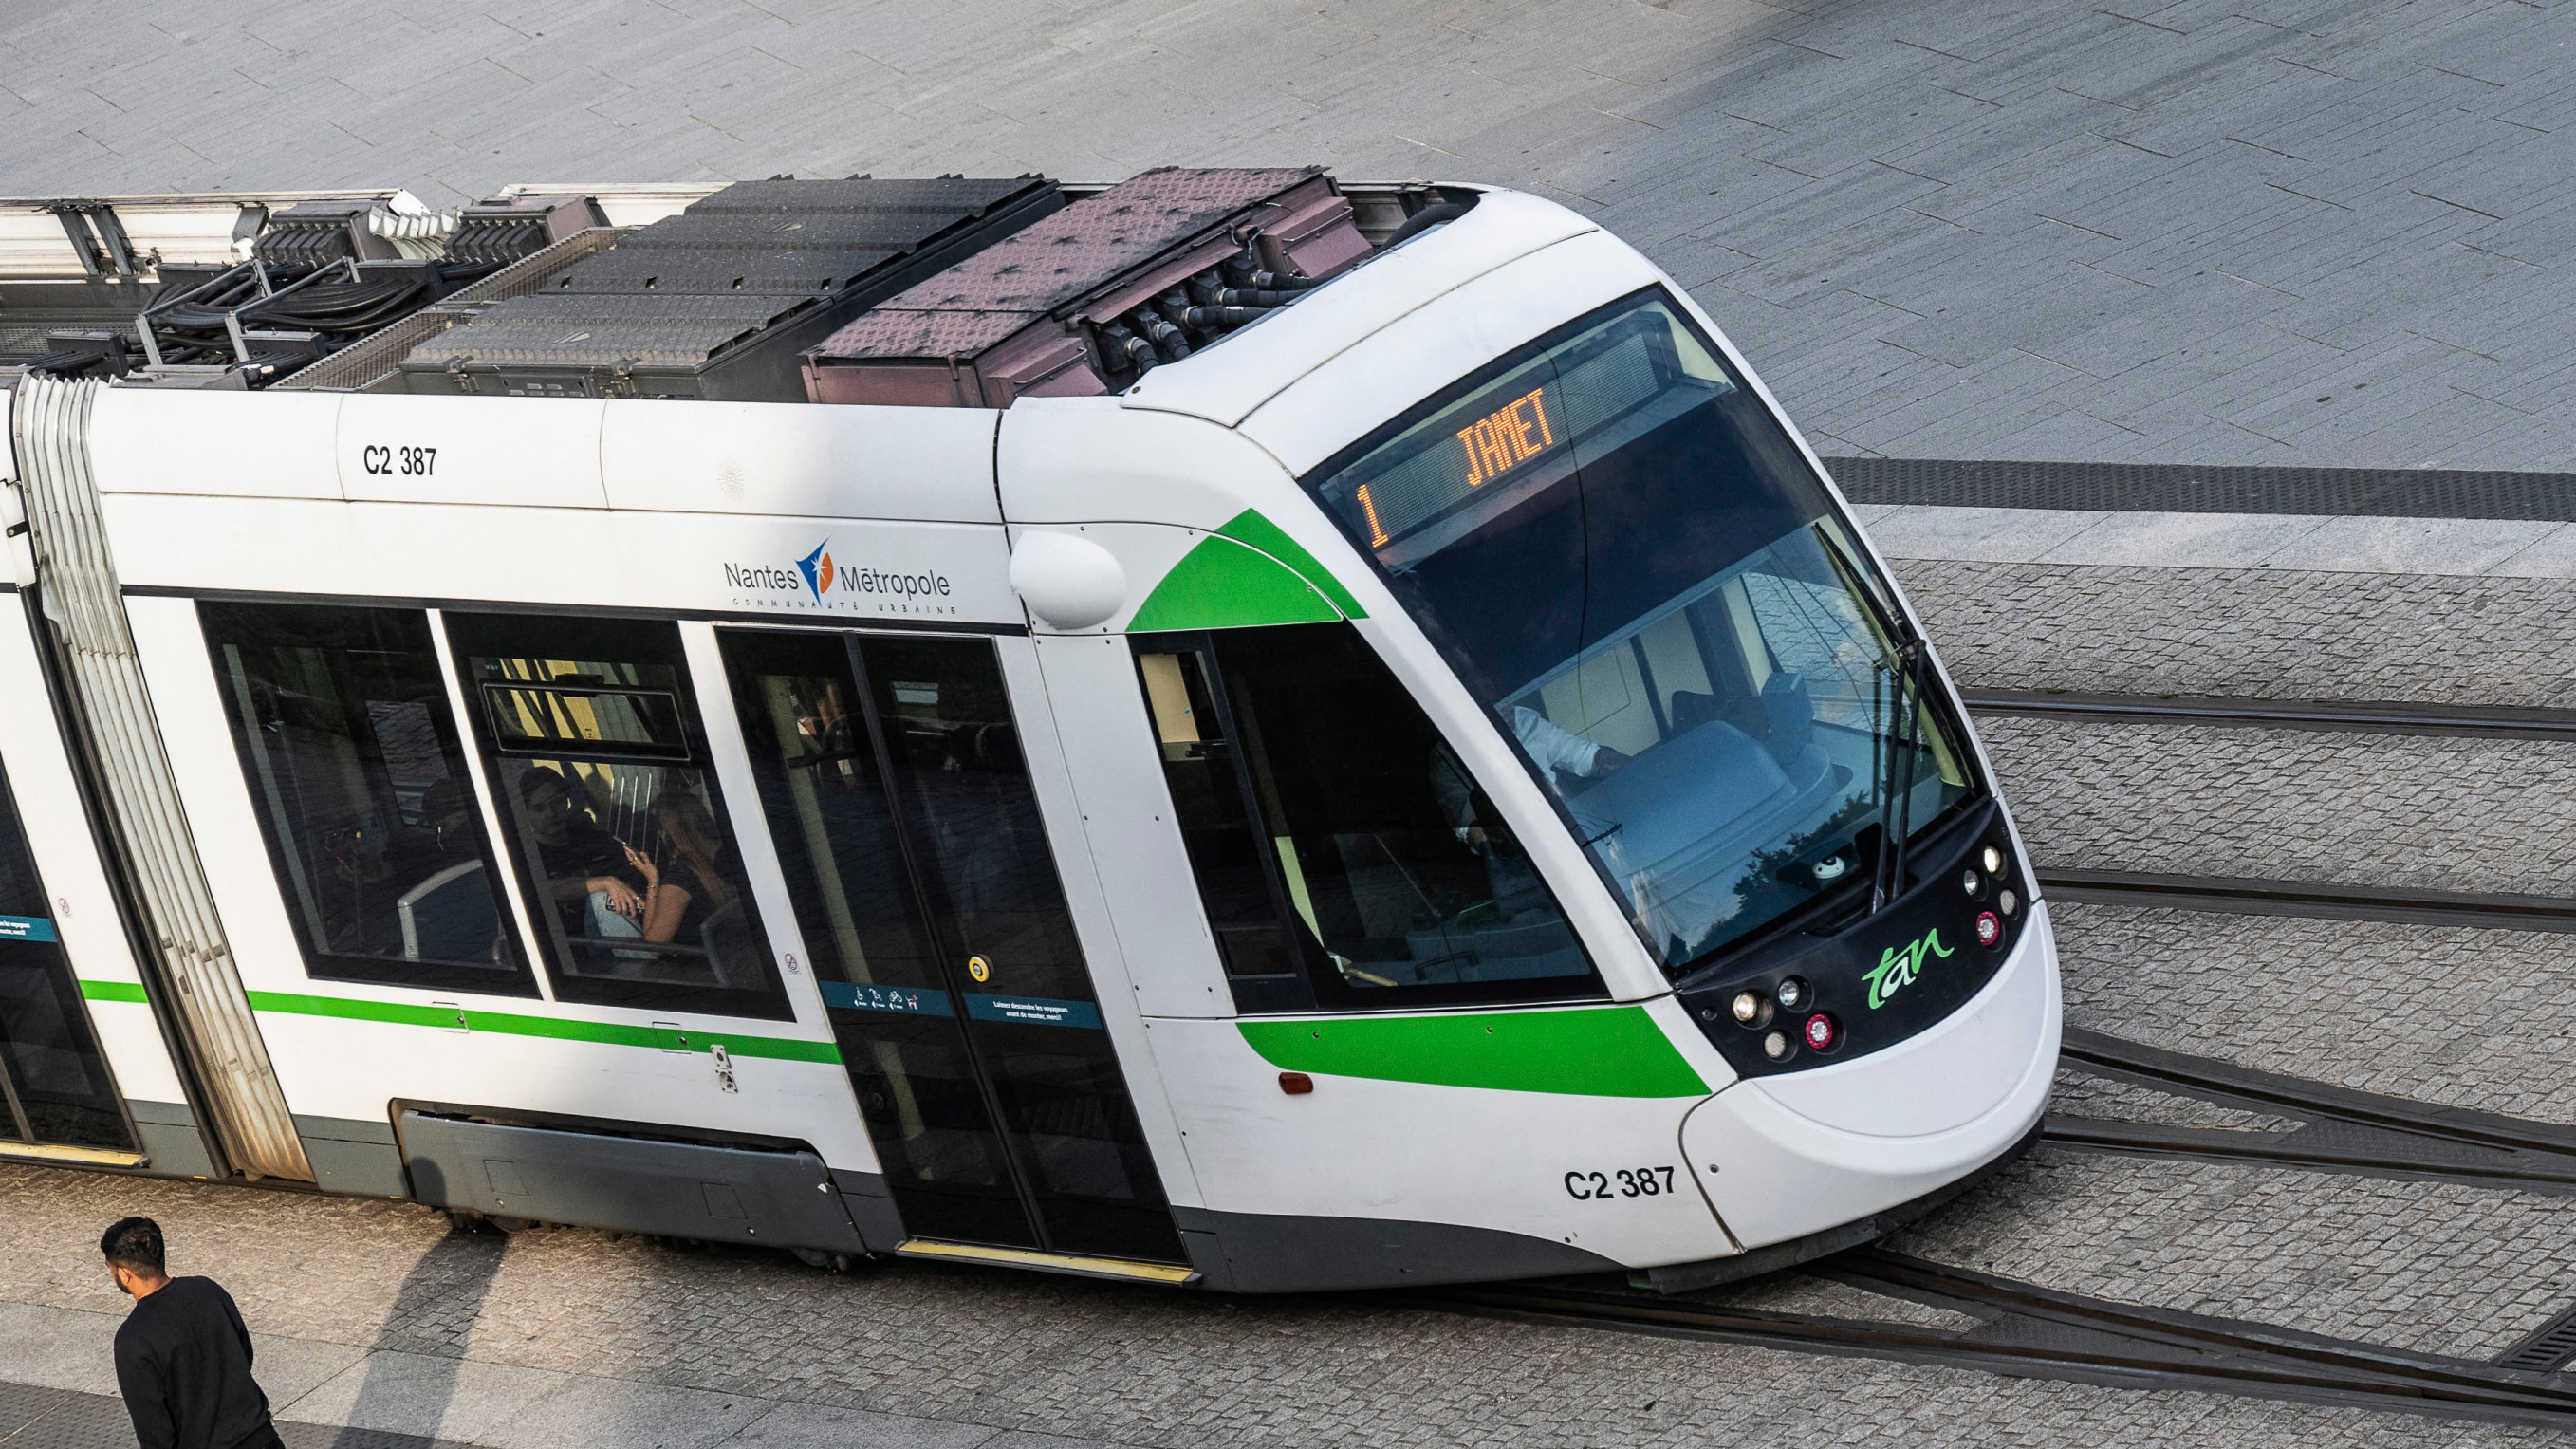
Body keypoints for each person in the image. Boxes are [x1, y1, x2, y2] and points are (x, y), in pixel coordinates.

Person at [101, 1217, 284, 1449]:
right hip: (261, 1438)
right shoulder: (207, 1290)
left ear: (125, 1274)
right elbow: (243, 1353)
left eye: (111, 1269)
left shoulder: (133, 1338)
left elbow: (154, 1429)